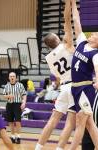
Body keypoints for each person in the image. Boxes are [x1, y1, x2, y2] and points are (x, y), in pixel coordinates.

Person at [69, 0, 98, 149]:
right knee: (90, 124)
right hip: (75, 88)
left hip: (86, 89)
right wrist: (73, 3)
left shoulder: (96, 54)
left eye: (95, 34)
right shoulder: (82, 42)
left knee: (80, 122)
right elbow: (76, 20)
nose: (92, 34)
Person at [35, 1, 76, 150]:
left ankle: (38, 147)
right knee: (70, 122)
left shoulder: (48, 58)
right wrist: (69, 5)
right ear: (57, 39)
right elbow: (67, 22)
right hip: (74, 85)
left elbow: (57, 77)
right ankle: (59, 149)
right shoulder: (67, 45)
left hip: (63, 87)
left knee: (53, 120)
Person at [3, 72, 27, 144]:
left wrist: (24, 102)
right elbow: (4, 95)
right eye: (11, 76)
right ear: (9, 78)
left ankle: (18, 137)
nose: (12, 77)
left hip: (17, 104)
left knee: (18, 121)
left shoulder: (20, 85)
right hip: (9, 104)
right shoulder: (7, 86)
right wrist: (8, 96)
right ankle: (13, 136)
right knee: (10, 121)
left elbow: (24, 94)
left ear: (16, 77)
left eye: (13, 76)